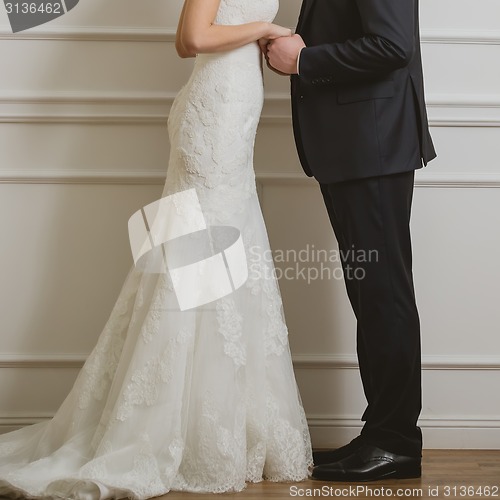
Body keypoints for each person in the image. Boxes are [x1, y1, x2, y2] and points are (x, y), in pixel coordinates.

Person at [0, 1, 312, 498]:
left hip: (238, 112)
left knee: (230, 257)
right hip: (211, 118)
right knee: (190, 265)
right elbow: (190, 37)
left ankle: (226, 431)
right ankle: (173, 432)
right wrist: (267, 28)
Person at [265, 0, 436, 482]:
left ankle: (396, 442)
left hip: (373, 144)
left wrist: (304, 60)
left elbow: (392, 45)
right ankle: (382, 431)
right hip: (356, 146)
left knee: (385, 296)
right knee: (373, 295)